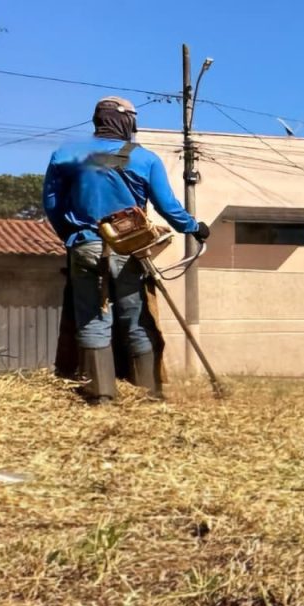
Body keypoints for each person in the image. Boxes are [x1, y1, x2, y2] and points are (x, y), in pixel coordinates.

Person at [44, 97, 207, 402]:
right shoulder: (144, 158)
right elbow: (168, 207)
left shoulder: (66, 154)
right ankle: (149, 391)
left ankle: (101, 394)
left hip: (85, 245)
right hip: (129, 249)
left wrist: (73, 236)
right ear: (128, 122)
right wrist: (194, 227)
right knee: (136, 318)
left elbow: (52, 204)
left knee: (93, 318)